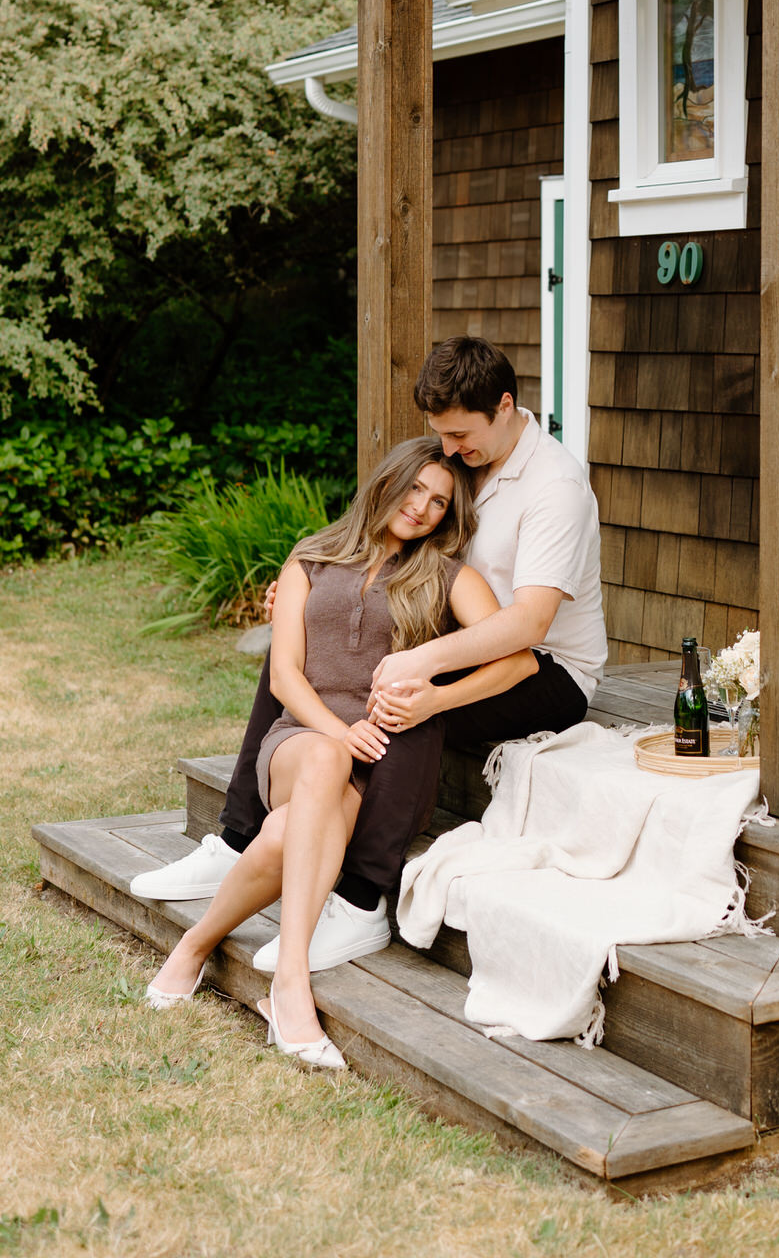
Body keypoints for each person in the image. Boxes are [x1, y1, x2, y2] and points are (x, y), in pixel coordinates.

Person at [133, 337, 607, 971]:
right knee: (292, 652)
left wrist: (427, 669)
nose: (448, 449)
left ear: (505, 405)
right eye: (440, 435)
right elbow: (404, 534)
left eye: (460, 434)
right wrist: (307, 590)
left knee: (408, 705)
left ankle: (360, 900)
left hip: (547, 669)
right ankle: (239, 839)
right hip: (462, 635)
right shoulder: (467, 456)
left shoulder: (555, 486)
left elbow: (529, 623)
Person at [142, 436, 537, 1069]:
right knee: (324, 762)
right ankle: (292, 978)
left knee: (286, 834)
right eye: (415, 489)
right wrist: (335, 730)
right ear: (388, 482)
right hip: (298, 743)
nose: (424, 508)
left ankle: (194, 945)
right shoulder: (312, 558)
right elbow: (285, 676)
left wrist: (436, 698)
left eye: (439, 502)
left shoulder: (445, 576)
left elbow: (519, 662)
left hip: (370, 768)